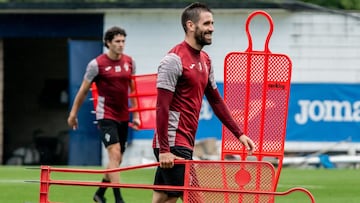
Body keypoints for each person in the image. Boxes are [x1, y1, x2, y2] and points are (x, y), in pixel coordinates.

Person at [151, 2, 256, 203]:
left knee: (163, 198)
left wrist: (239, 134)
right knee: (195, 198)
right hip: (173, 144)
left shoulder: (205, 60)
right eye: (207, 23)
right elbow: (161, 107)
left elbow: (216, 101)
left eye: (212, 23)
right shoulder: (173, 60)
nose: (212, 28)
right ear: (190, 25)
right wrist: (165, 150)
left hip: (184, 143)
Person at [67, 26, 140, 203]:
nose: (121, 45)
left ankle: (99, 193)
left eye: (123, 41)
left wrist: (136, 115)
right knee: (114, 154)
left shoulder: (130, 62)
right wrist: (73, 114)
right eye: (117, 41)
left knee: (118, 159)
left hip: (123, 115)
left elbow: (133, 90)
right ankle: (118, 199)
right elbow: (83, 90)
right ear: (108, 43)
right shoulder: (96, 64)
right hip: (105, 115)